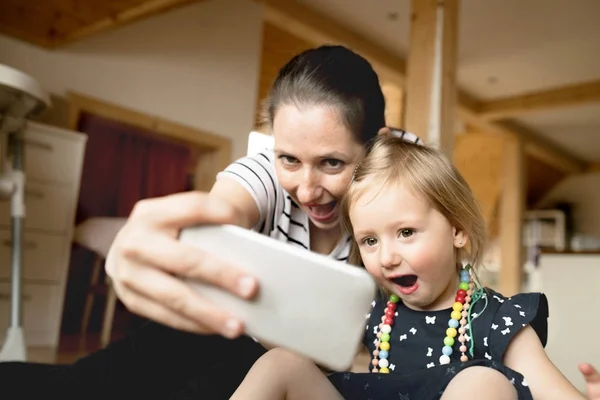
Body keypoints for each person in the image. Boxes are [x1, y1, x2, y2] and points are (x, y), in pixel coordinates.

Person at [0, 45, 419, 399]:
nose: (307, 190)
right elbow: (224, 210)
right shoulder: (263, 174)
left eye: (332, 163)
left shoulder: (402, 187)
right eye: (289, 158)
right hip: (222, 342)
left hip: (309, 377)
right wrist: (174, 237)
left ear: (374, 148)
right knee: (75, 387)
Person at [229, 136, 600, 400]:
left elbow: (554, 392)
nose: (386, 257)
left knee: (483, 383)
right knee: (281, 363)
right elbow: (308, 352)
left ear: (458, 231)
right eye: (370, 241)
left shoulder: (498, 318)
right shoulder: (372, 305)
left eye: (405, 232)